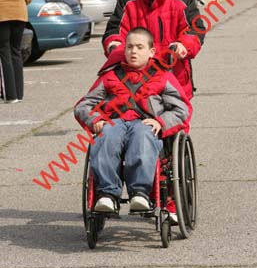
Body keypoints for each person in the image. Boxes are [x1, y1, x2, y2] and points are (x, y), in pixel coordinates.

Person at [74, 27, 192, 217]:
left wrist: (161, 122)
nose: (133, 51)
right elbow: (83, 106)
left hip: (145, 123)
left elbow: (181, 110)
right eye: (129, 47)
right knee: (106, 136)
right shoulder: (110, 76)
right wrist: (95, 119)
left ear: (151, 51)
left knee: (142, 135)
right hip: (115, 123)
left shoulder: (163, 77)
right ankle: (107, 195)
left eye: (139, 47)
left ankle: (140, 193)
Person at [101, 0, 206, 101]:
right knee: (136, 124)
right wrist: (115, 48)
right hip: (135, 83)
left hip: (174, 80)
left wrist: (183, 46)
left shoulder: (184, 0)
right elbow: (114, 32)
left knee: (173, 123)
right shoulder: (126, 2)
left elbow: (195, 30)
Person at [0, 0, 38, 103]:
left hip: (1, 13)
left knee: (4, 51)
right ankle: (19, 94)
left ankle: (10, 95)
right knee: (16, 51)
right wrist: (23, 1)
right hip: (19, 12)